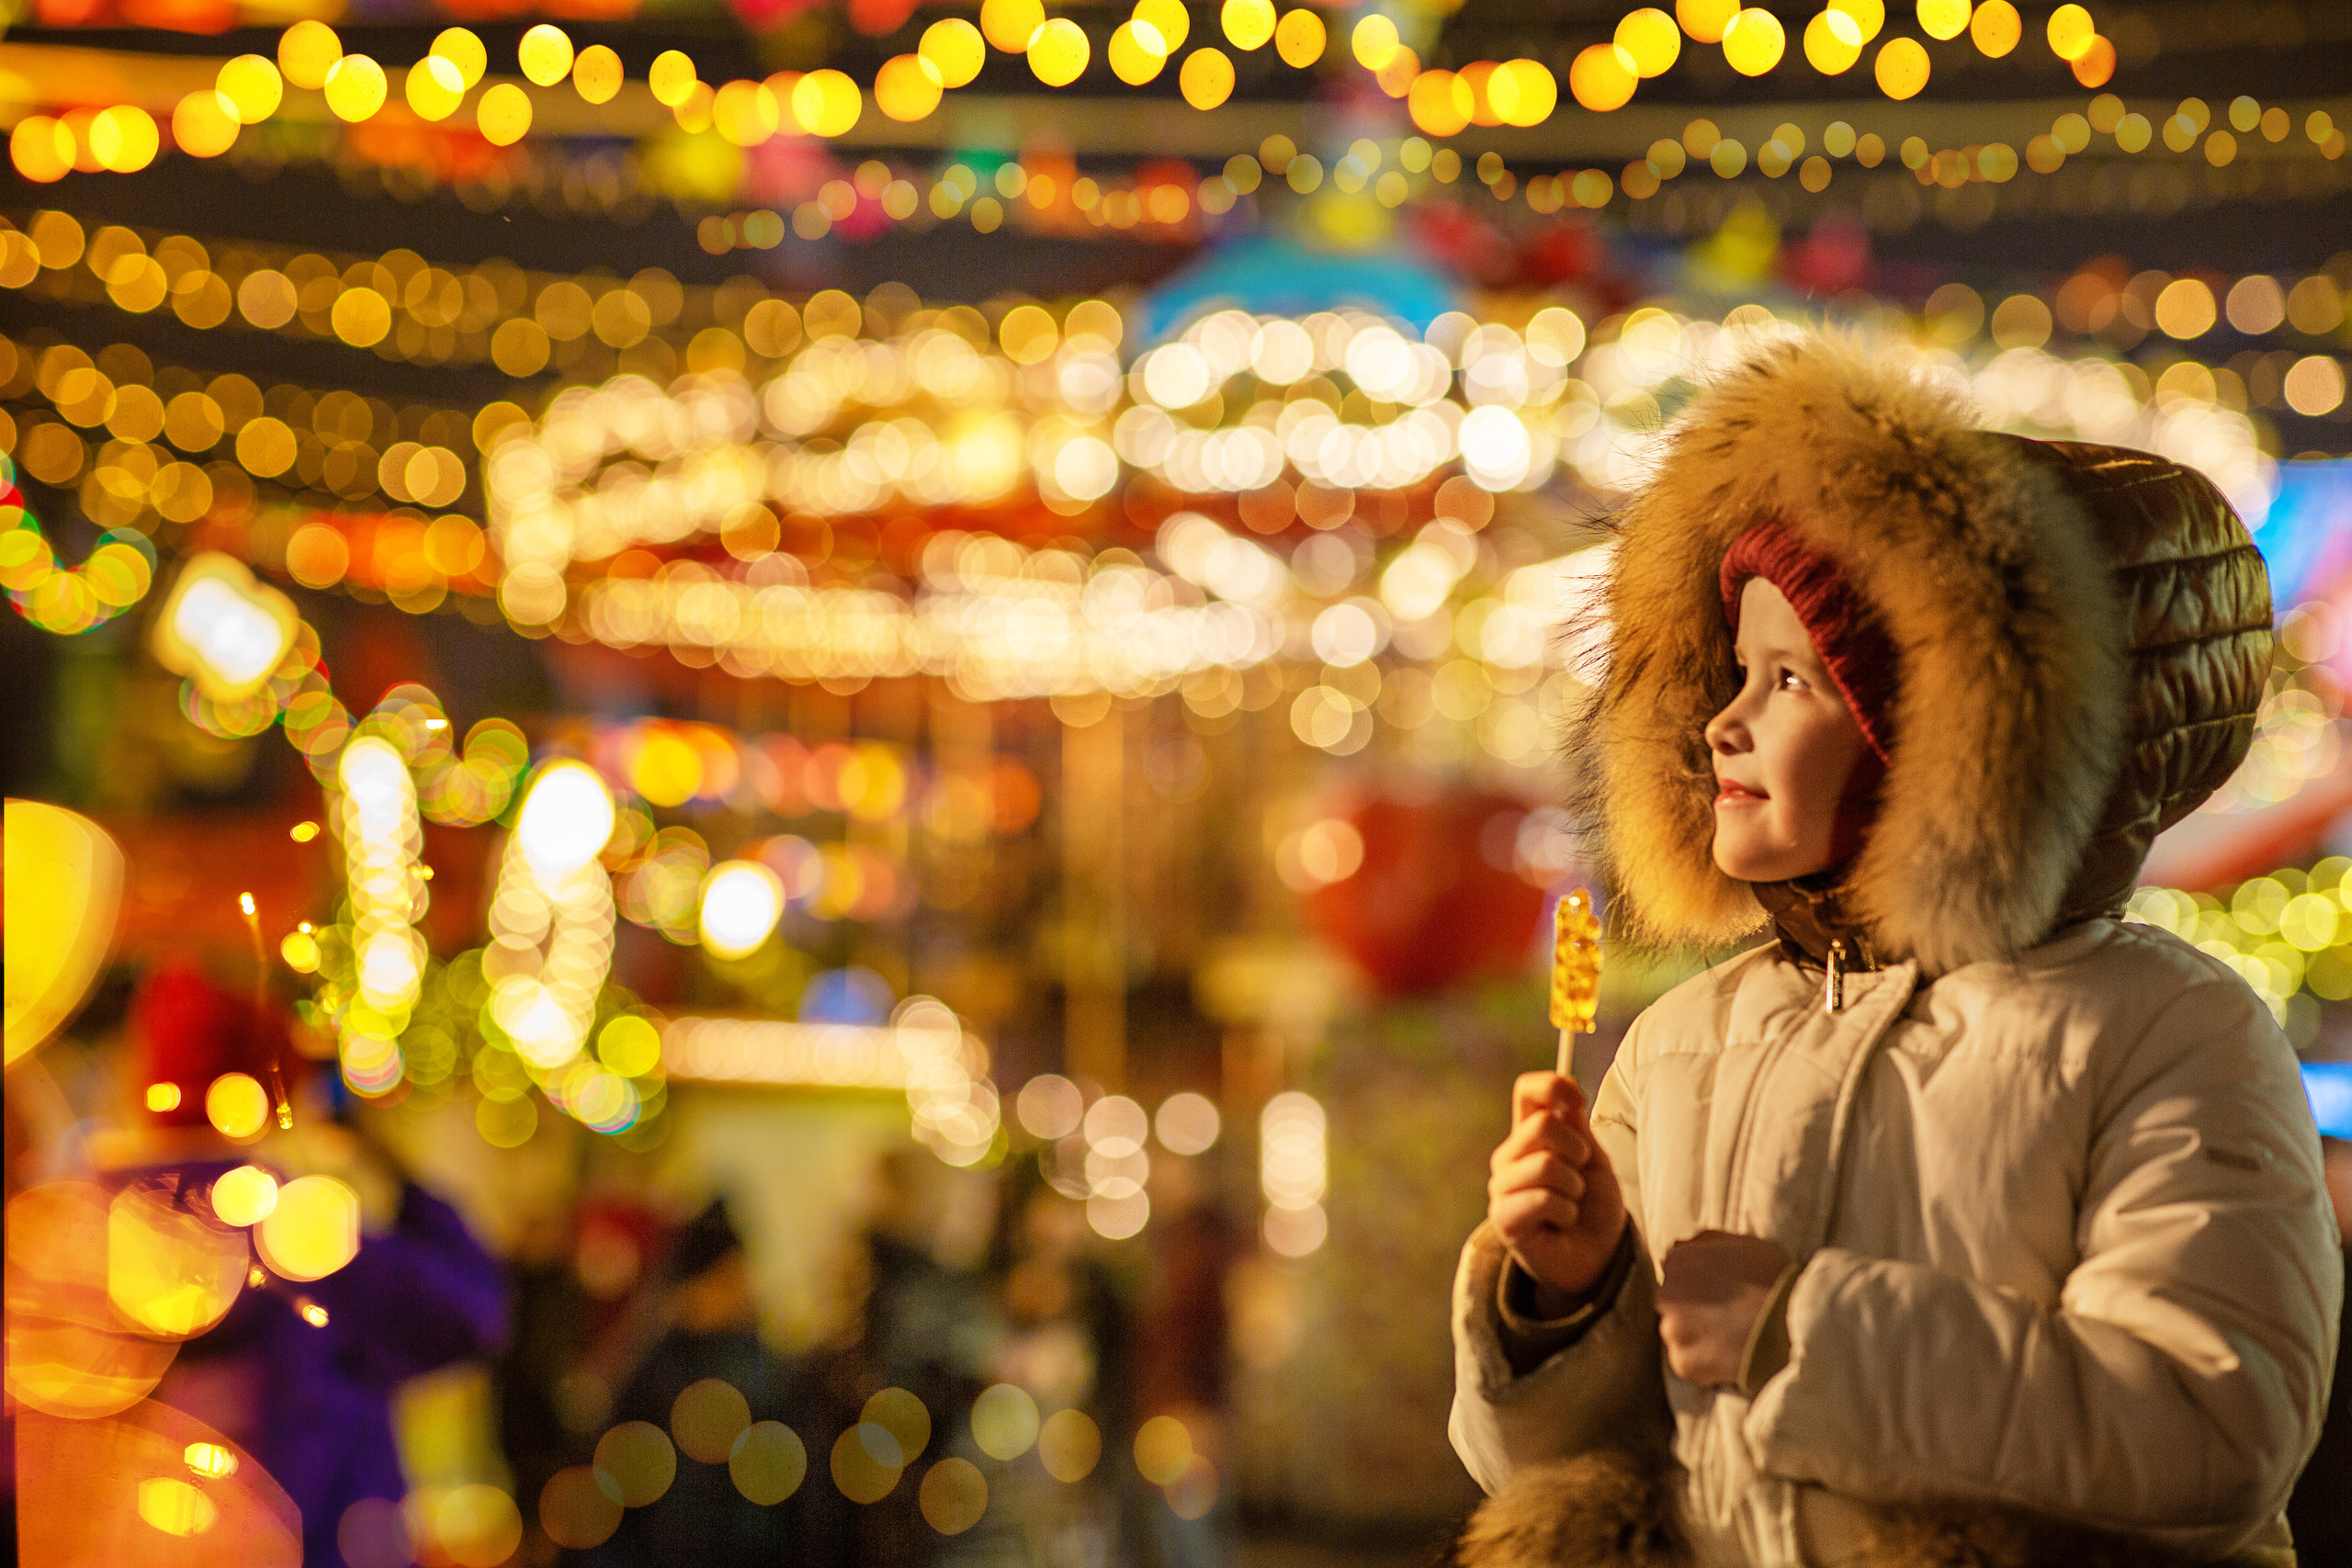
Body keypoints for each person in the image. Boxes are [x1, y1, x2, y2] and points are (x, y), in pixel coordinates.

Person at [1448, 336, 2342, 1568]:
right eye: (1732, 667)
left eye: (1789, 681)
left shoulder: (2162, 1031)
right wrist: (1567, 1298)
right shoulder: (1682, 1043)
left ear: (1938, 733)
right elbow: (1572, 1459)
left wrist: (1794, 1331)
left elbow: (2210, 1426)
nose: (1722, 721)